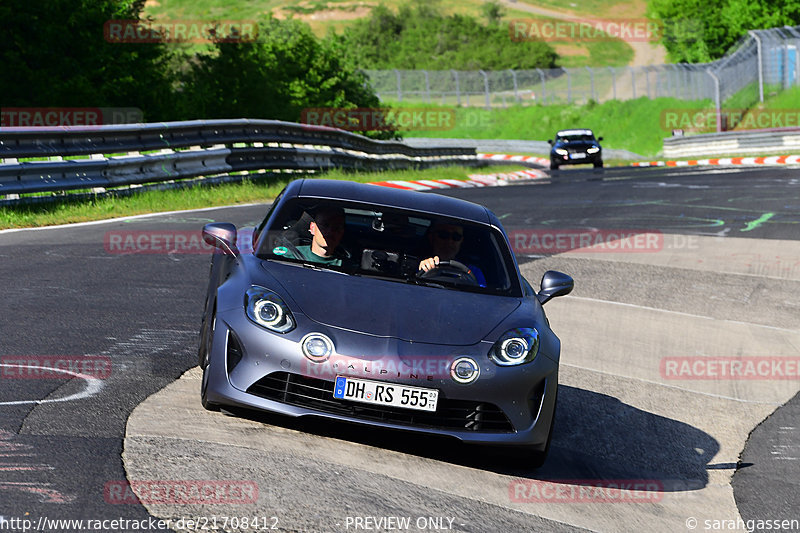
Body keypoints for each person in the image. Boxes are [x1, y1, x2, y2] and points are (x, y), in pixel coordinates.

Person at [418, 222, 486, 286]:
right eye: (444, 235)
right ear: (431, 237)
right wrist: (425, 270)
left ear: (461, 240)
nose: (449, 241)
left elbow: (482, 295)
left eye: (456, 237)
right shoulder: (418, 265)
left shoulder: (473, 272)